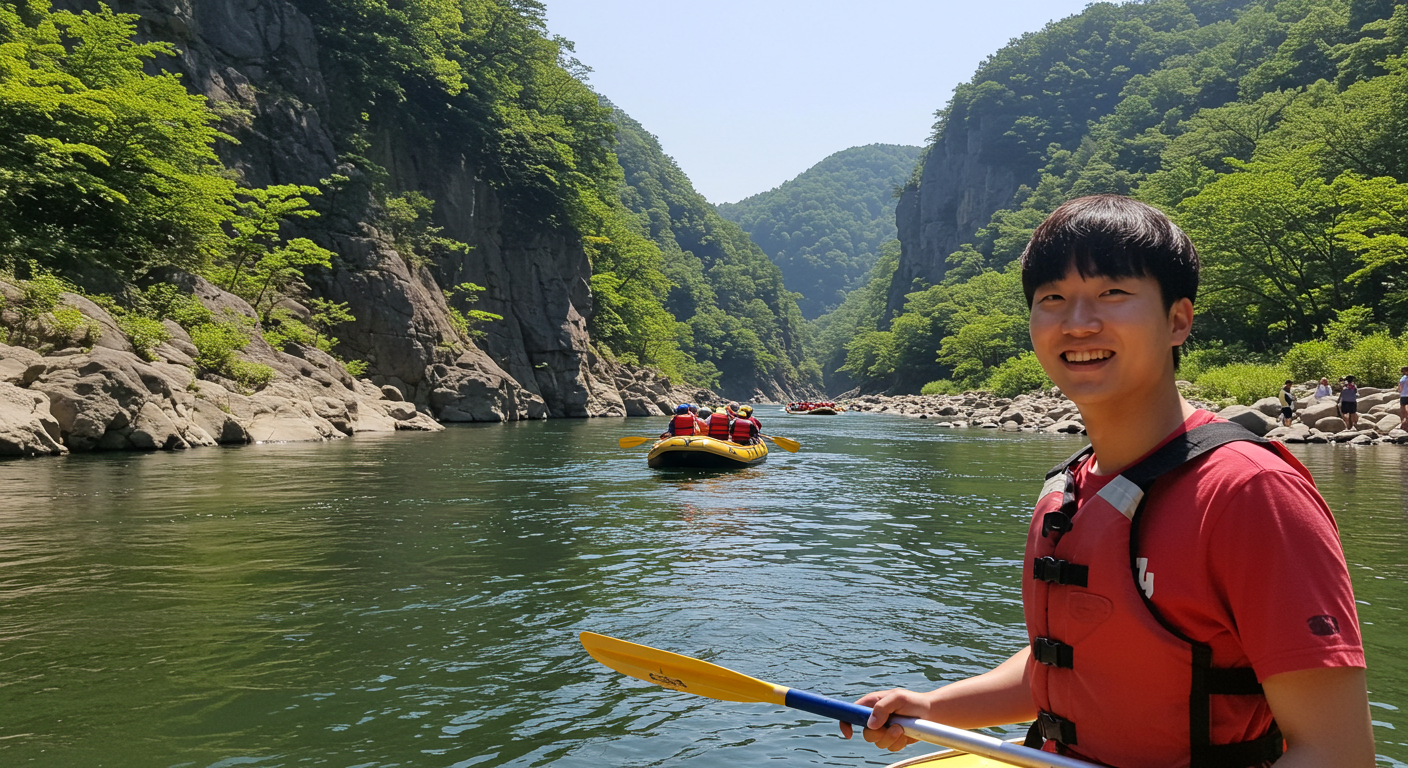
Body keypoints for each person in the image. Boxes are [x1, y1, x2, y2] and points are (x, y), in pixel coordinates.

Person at [841, 195, 1372, 768]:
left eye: (1112, 294)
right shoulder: (1071, 488)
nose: (1078, 323)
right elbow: (1076, 660)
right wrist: (933, 705)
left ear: (1177, 320)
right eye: (1052, 299)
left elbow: (1336, 752)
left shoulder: (1248, 492)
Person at [1398, 366, 1408, 430]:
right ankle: (1405, 422)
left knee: (1403, 408)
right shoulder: (1403, 377)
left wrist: (1399, 390)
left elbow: (1400, 386)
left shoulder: (1403, 378)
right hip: (1404, 394)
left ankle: (1404, 422)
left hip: (1404, 394)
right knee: (1403, 408)